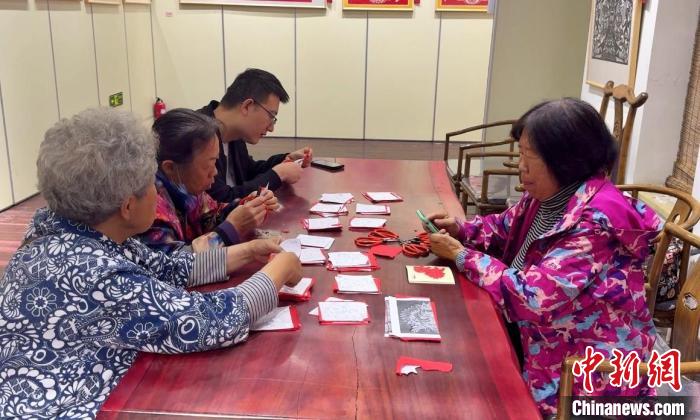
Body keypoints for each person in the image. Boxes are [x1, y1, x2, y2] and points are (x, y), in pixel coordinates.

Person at [0, 108, 301, 419]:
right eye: (150, 184)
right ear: (128, 206)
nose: (157, 192)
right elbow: (209, 321)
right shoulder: (93, 273)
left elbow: (170, 267)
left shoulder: (74, 232)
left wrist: (249, 251)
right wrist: (279, 270)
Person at [427, 98, 661, 416]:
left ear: (565, 160)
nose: (521, 166)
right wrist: (461, 229)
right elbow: (502, 228)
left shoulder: (595, 222)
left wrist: (461, 255)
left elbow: (532, 296)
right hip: (536, 335)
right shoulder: (549, 195)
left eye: (530, 155)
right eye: (520, 153)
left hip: (582, 369)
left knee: (464, 384)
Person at [141, 108, 278, 254]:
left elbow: (210, 215)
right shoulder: (148, 208)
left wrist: (247, 206)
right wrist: (230, 230)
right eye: (209, 164)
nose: (215, 172)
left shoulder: (186, 187)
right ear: (170, 167)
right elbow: (175, 263)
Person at [199, 68, 313, 202]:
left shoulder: (234, 131)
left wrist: (285, 160)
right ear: (247, 106)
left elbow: (248, 171)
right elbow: (221, 200)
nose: (271, 128)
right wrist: (278, 175)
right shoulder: (197, 135)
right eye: (271, 116)